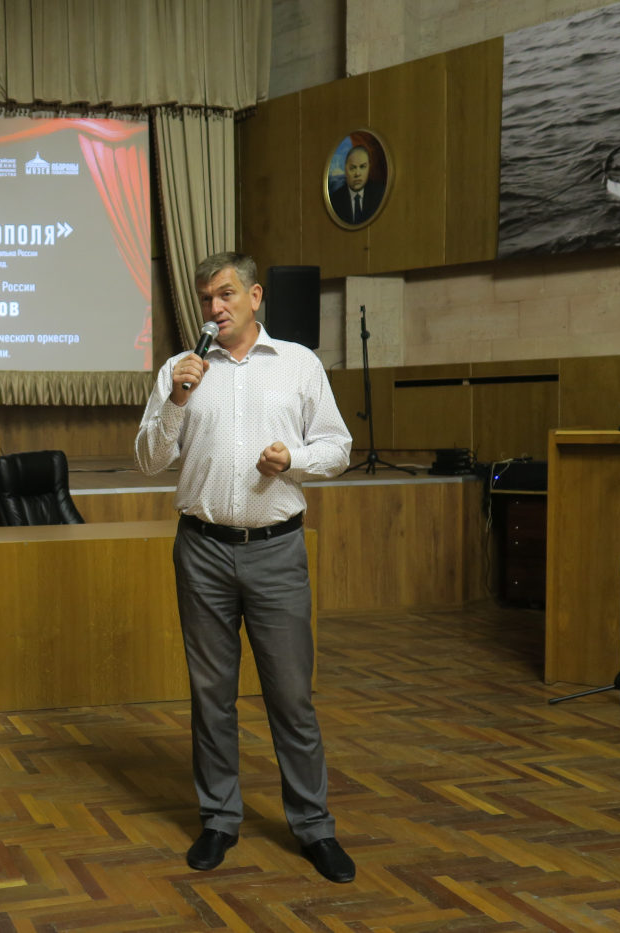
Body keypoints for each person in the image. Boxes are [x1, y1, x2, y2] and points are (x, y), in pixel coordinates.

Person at [134, 252, 355, 882]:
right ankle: (219, 820)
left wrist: (295, 460)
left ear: (255, 296)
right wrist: (177, 398)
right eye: (206, 298)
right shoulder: (180, 371)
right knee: (212, 697)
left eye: (226, 294)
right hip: (202, 550)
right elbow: (148, 459)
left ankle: (314, 827)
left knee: (291, 696)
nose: (215, 308)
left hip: (277, 551)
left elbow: (338, 446)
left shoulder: (298, 364)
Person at [328, 144, 384, 225]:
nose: (357, 174)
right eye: (352, 168)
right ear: (345, 170)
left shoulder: (380, 195)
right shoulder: (335, 200)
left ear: (369, 167)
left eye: (362, 167)